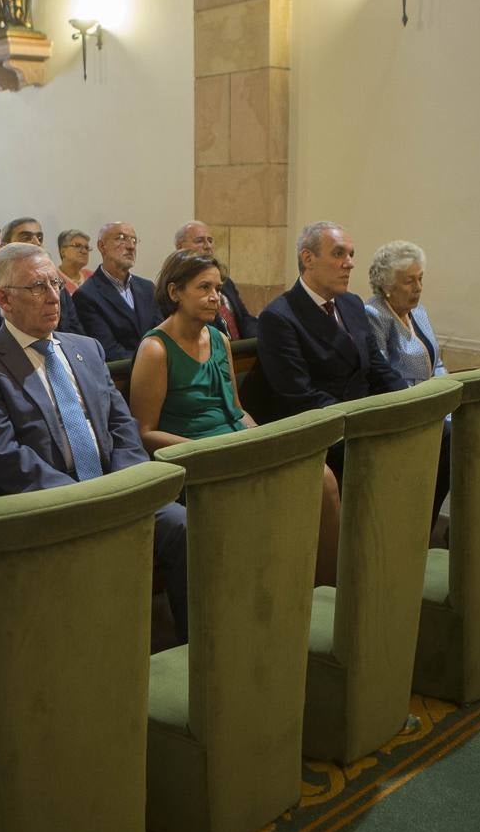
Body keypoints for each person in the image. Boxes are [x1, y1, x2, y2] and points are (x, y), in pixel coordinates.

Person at [0, 242, 189, 640]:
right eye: (37, 287)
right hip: (48, 504)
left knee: (181, 524)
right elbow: (4, 457)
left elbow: (123, 427)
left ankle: (193, 651)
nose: (52, 296)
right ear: (3, 300)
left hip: (115, 490)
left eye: (55, 284)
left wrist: (123, 487)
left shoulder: (85, 349)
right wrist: (85, 499)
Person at [131, 249, 341, 584]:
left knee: (323, 479)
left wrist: (259, 437)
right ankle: (258, 595)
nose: (215, 297)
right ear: (175, 293)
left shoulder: (218, 339)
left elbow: (237, 408)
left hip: (237, 446)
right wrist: (206, 450)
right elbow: (143, 432)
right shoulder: (155, 349)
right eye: (203, 288)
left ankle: (322, 592)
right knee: (263, 497)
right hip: (197, 458)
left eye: (218, 288)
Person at [249, 221, 405, 423]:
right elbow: (302, 397)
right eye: (339, 253)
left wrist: (411, 402)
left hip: (363, 416)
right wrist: (367, 421)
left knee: (442, 433)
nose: (350, 263)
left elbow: (379, 369)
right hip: (324, 429)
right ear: (308, 258)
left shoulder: (352, 303)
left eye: (351, 254)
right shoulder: (279, 317)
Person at [364, 239, 450, 523]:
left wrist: (445, 395)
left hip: (432, 400)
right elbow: (382, 372)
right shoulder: (374, 314)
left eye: (421, 279)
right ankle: (420, 522)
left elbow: (436, 362)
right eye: (409, 281)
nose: (418, 287)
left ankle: (444, 522)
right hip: (401, 405)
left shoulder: (418, 312)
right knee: (449, 440)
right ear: (387, 284)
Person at [0, 224, 85, 345]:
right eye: (26, 238)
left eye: (39, 237)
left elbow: (77, 339)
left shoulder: (58, 290)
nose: (36, 242)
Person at [72, 221, 160, 361]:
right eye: (121, 238)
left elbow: (161, 334)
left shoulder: (147, 288)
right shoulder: (86, 295)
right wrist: (151, 363)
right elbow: (108, 350)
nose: (131, 246)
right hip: (120, 376)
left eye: (134, 240)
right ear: (102, 246)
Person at [175, 220, 257, 339]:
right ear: (180, 247)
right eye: (199, 241)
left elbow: (244, 318)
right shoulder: (179, 284)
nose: (208, 246)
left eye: (210, 240)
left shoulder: (226, 282)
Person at [56, 228, 93, 294]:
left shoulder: (91, 276)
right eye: (78, 246)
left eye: (87, 247)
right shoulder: (53, 278)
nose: (84, 251)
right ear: (63, 252)